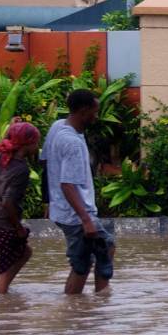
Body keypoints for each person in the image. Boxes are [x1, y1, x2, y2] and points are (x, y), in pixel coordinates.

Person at [42, 89, 115, 294]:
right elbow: (67, 184)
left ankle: (81, 309)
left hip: (64, 209)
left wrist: (48, 200)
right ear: (83, 111)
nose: (96, 116)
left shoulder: (58, 127)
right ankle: (98, 299)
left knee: (88, 258)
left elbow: (44, 161)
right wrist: (86, 219)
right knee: (95, 254)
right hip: (75, 213)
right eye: (94, 111)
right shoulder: (72, 142)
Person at [0, 122, 40, 294]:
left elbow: (5, 140)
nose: (37, 147)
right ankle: (2, 300)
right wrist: (18, 228)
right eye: (36, 142)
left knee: (20, 255)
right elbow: (7, 202)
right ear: (27, 144)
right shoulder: (21, 169)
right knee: (10, 265)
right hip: (2, 224)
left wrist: (14, 128)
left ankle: (3, 296)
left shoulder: (0, 154)